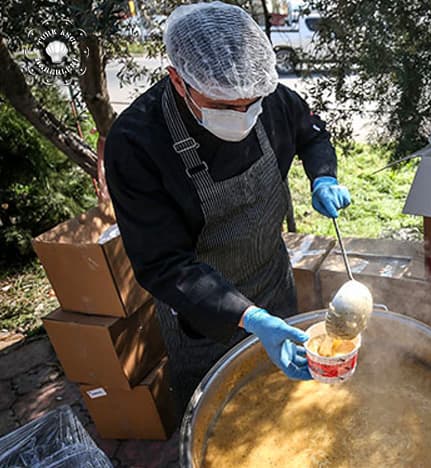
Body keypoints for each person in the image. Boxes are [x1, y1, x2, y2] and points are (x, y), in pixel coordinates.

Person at [104, 1, 351, 417]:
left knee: (286, 402)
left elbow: (311, 134)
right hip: (202, 317)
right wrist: (246, 316)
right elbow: (163, 263)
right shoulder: (136, 143)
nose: (242, 115)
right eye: (223, 105)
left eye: (249, 103)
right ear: (178, 81)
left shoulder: (266, 98)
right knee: (221, 413)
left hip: (273, 283)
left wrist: (323, 175)